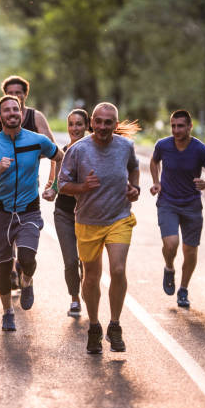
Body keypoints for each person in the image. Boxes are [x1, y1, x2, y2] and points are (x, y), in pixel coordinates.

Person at [58, 102, 140, 354]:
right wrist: (82, 187)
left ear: (115, 125)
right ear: (92, 122)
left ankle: (114, 325)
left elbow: (134, 168)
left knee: (117, 269)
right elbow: (62, 184)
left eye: (109, 123)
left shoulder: (125, 146)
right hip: (87, 222)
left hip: (119, 218)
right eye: (99, 122)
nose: (103, 127)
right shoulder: (78, 150)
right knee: (91, 277)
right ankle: (94, 326)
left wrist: (134, 189)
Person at [0, 95, 63, 332]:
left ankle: (27, 280)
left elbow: (61, 157)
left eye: (15, 109)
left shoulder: (37, 140)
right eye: (6, 111)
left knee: (27, 258)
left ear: (21, 112)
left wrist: (55, 186)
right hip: (2, 212)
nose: (12, 113)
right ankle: (7, 312)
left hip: (29, 210)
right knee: (3, 267)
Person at [0, 75, 58, 290]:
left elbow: (54, 150)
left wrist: (53, 183)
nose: (15, 96)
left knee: (26, 249)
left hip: (28, 184)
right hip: (2, 189)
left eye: (19, 93)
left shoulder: (35, 118)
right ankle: (11, 271)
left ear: (25, 96)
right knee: (5, 250)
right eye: (10, 92)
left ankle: (24, 270)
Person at [149, 109, 205, 308]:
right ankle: (169, 268)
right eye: (173, 126)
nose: (176, 130)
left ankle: (183, 289)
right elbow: (154, 161)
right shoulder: (163, 145)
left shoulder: (200, 149)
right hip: (168, 203)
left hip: (192, 206)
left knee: (190, 251)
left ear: (190, 127)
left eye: (180, 126)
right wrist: (157, 182)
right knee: (171, 244)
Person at [42, 109, 90, 318]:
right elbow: (56, 182)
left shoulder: (94, 151)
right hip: (64, 213)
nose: (74, 128)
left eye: (79, 124)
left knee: (87, 262)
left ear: (87, 126)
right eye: (71, 124)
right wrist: (51, 191)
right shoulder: (62, 151)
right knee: (71, 260)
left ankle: (90, 294)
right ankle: (74, 298)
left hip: (89, 215)